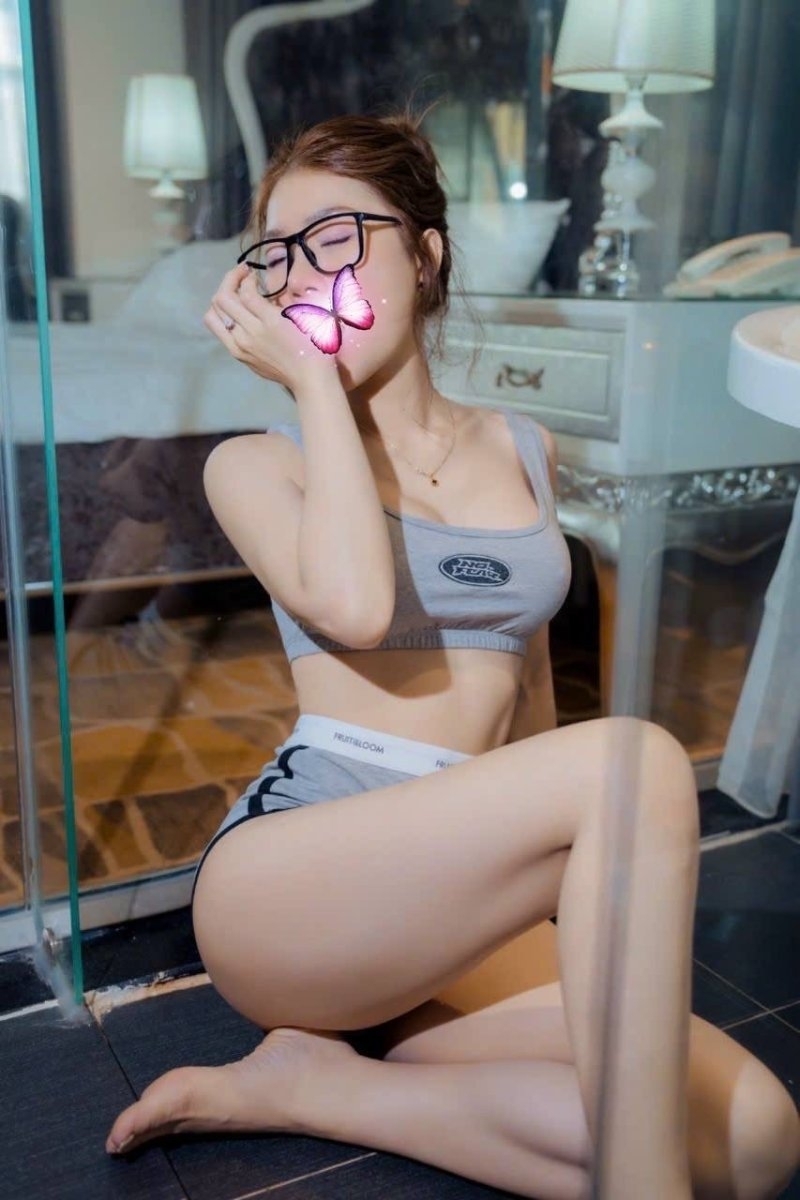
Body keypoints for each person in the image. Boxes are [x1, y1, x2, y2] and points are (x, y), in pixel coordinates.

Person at [106, 113, 800, 1200]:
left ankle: (315, 1088)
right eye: (279, 252)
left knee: (756, 1140)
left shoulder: (522, 446)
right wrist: (316, 389)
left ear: (425, 256)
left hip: (457, 894)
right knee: (635, 764)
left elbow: (527, 703)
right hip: (293, 887)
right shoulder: (256, 465)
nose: (305, 275)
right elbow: (352, 603)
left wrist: (572, 913)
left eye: (338, 237)